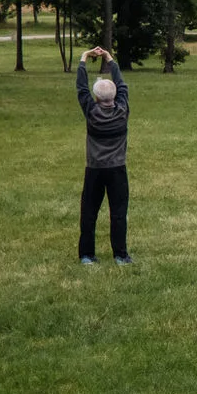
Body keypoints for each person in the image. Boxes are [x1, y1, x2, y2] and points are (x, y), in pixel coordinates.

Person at [75, 46, 133, 265]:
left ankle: (87, 255)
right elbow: (122, 85)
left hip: (95, 169)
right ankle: (120, 255)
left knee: (89, 211)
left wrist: (84, 59)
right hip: (118, 168)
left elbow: (81, 88)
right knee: (118, 212)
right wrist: (109, 58)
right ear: (116, 96)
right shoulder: (122, 110)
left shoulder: (91, 112)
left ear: (96, 97)